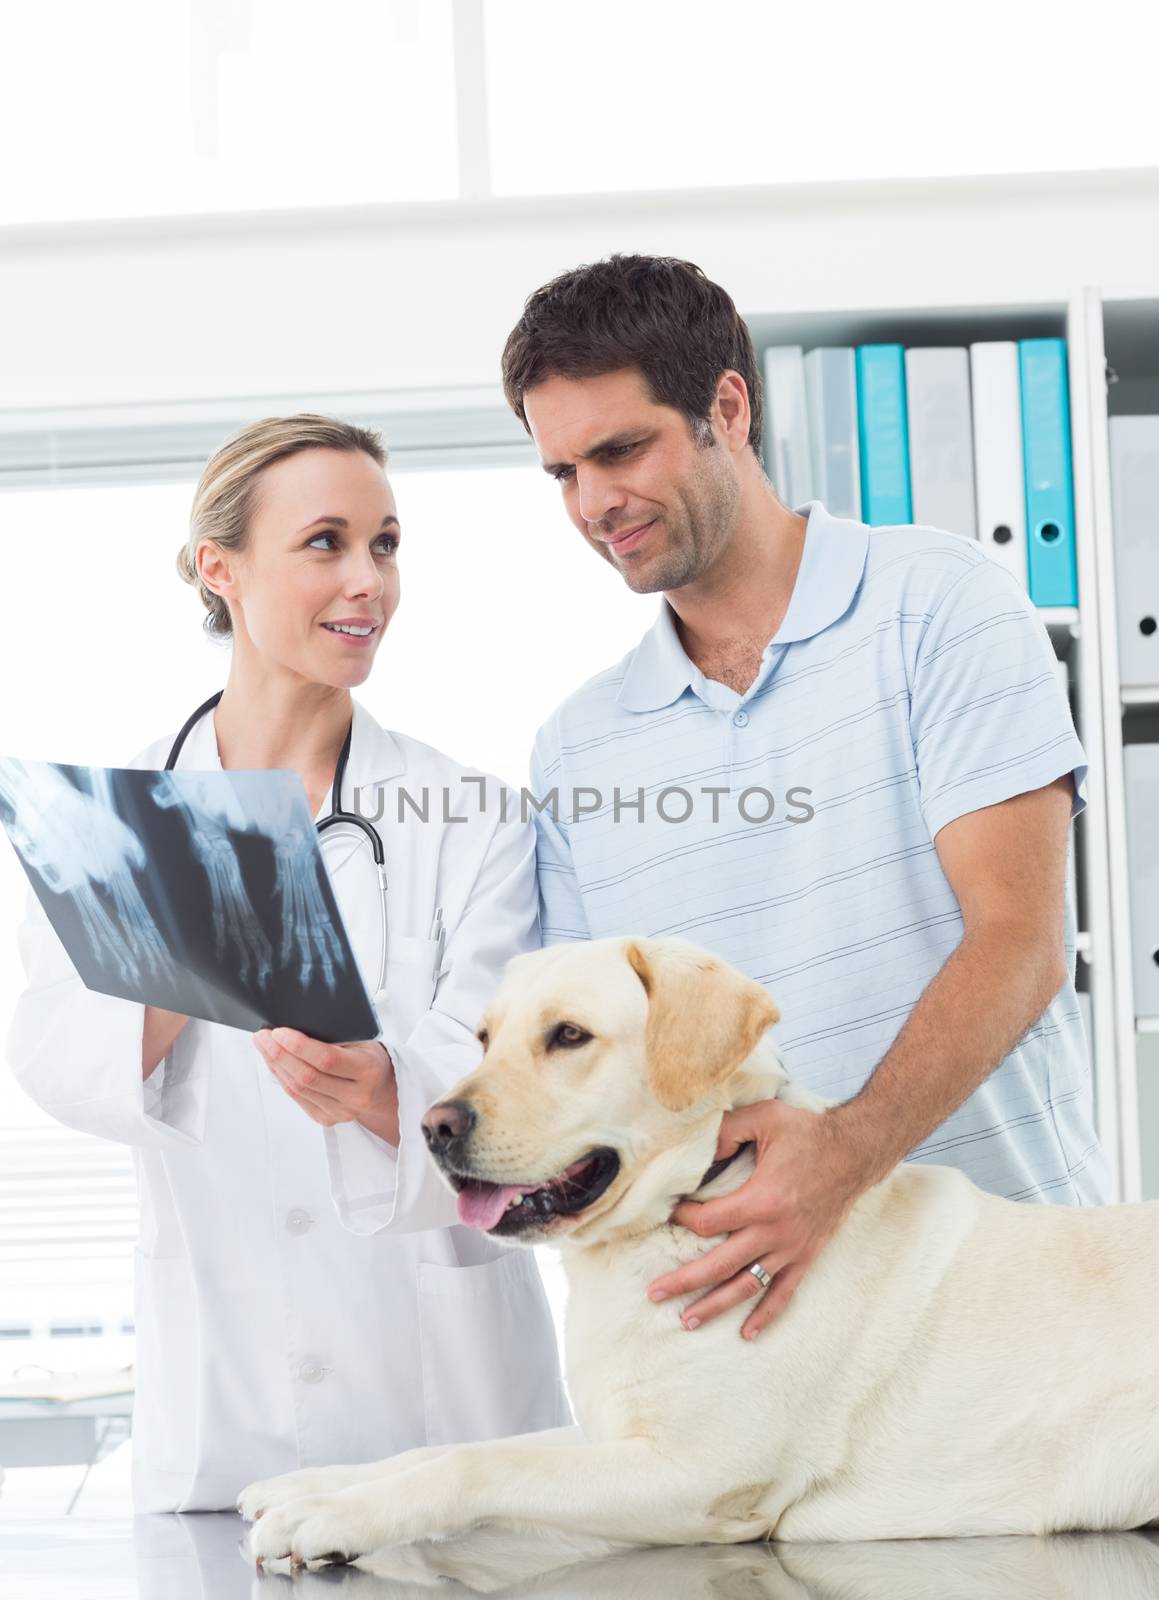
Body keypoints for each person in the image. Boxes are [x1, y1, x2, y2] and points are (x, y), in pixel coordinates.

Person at [500, 254, 1109, 1342]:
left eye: (620, 449)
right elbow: (598, 1075)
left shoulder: (941, 605)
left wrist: (841, 1156)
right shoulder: (575, 748)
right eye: (561, 474)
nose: (594, 503)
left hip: (1013, 1312)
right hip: (756, 1353)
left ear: (724, 408)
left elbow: (1019, 944)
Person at [6, 415, 569, 1514]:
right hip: (232, 1412)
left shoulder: (470, 816)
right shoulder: (117, 822)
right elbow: (53, 1048)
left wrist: (386, 1094)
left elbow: (507, 1070)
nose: (368, 580)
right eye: (325, 542)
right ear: (220, 568)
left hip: (452, 1412)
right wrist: (171, 981)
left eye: (386, 543)